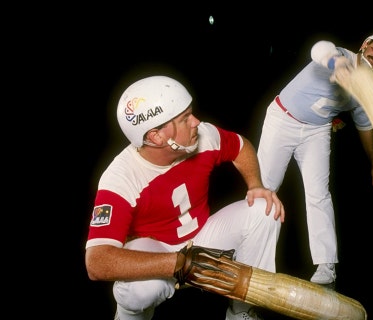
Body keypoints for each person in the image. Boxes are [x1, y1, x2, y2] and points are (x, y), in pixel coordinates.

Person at [85, 75, 285, 320]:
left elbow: (240, 146)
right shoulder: (119, 179)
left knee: (265, 209)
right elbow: (96, 262)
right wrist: (178, 263)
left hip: (202, 237)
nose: (196, 122)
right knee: (140, 289)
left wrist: (255, 184)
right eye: (184, 118)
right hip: (156, 250)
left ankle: (243, 312)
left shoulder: (203, 135)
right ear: (157, 136)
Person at [256, 32, 373, 286]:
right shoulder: (341, 55)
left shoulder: (367, 93)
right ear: (365, 44)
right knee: (266, 188)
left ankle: (326, 269)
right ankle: (252, 257)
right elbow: (319, 48)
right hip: (282, 119)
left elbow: (365, 129)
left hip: (316, 131)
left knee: (319, 194)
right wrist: (336, 64)